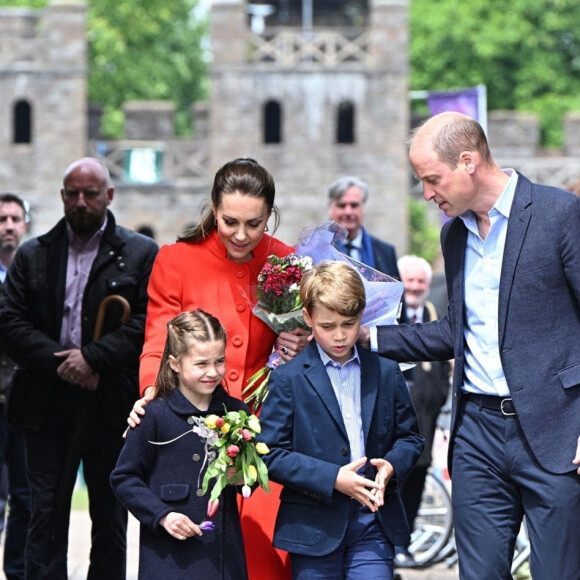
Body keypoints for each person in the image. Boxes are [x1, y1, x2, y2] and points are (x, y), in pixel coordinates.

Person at [362, 112, 580, 580]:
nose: (426, 193)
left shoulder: (559, 214)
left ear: (468, 162)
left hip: (557, 432)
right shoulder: (453, 233)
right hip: (475, 435)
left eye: (431, 179)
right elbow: (453, 332)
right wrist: (366, 337)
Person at [132, 158, 310, 580]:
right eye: (230, 221)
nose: (242, 235)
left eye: (255, 223)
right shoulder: (175, 260)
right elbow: (158, 340)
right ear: (214, 209)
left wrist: (301, 340)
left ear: (271, 215)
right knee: (201, 557)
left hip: (269, 430)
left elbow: (316, 337)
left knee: (266, 555)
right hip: (194, 428)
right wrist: (149, 394)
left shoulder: (287, 262)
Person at [0, 158, 158, 579]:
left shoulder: (141, 254)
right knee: (44, 514)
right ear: (62, 197)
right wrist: (64, 363)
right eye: (73, 194)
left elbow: (148, 322)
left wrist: (94, 358)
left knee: (111, 519)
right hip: (45, 405)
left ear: (109, 196)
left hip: (111, 406)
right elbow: (9, 322)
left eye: (91, 194)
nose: (82, 202)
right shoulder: (34, 255)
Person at [259, 261, 423, 580]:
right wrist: (332, 478)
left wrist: (391, 465)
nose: (339, 336)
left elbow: (410, 437)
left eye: (348, 324)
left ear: (362, 316)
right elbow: (270, 454)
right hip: (312, 527)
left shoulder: (386, 371)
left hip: (374, 521)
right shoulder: (288, 379)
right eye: (327, 325)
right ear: (308, 318)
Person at [111, 309, 249, 580]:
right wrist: (162, 515)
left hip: (221, 558)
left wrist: (241, 475)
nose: (213, 372)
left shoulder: (235, 411)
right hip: (167, 559)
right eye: (201, 364)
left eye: (219, 361)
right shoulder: (154, 414)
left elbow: (251, 475)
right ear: (174, 363)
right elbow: (124, 478)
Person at [393, 255, 450, 570]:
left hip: (425, 423)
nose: (414, 287)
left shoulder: (433, 316)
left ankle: (404, 544)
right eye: (409, 281)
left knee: (416, 485)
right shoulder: (390, 317)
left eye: (420, 282)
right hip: (394, 425)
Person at [0, 193, 31, 580]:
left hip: (25, 402)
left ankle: (18, 572)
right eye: (1, 218)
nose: (8, 225)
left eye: (14, 218)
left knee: (26, 496)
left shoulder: (33, 273)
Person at [327, 176, 401, 279]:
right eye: (342, 205)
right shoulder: (315, 250)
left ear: (364, 208)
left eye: (354, 205)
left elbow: (398, 294)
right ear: (330, 209)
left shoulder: (385, 252)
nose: (348, 212)